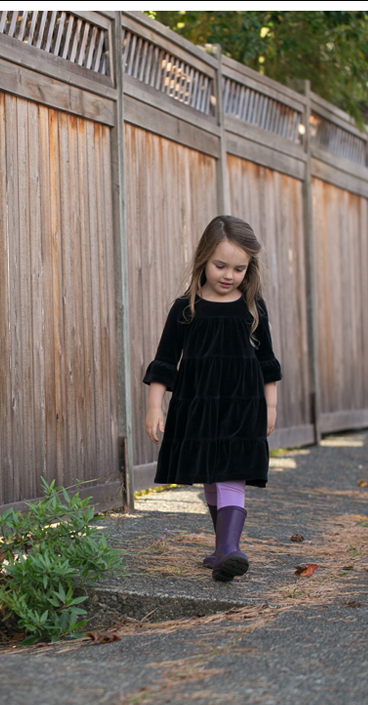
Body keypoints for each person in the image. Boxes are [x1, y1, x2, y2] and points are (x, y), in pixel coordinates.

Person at [143, 215, 282, 582]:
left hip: (243, 404)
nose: (229, 275)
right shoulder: (186, 309)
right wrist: (154, 406)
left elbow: (267, 362)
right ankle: (223, 548)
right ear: (203, 258)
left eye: (239, 268)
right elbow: (164, 361)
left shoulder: (253, 308)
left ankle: (228, 549)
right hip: (198, 404)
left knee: (231, 471)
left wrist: (271, 405)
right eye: (220, 265)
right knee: (210, 472)